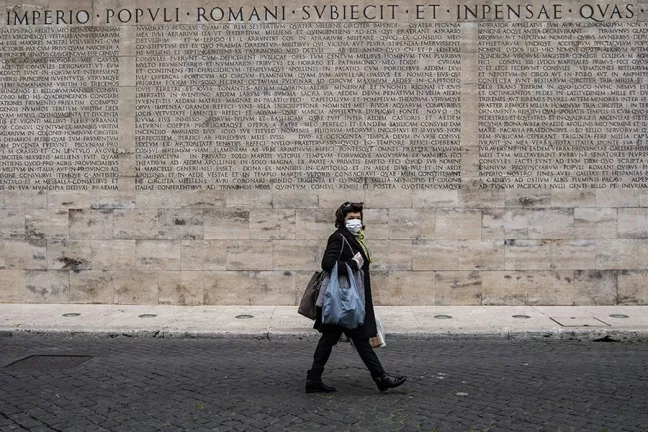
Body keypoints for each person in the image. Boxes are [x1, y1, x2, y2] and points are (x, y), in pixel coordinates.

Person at [306, 201, 407, 393]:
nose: (355, 221)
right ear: (342, 220)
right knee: (350, 338)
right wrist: (352, 264)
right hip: (343, 300)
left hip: (349, 299)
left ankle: (314, 379)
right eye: (351, 218)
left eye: (358, 218)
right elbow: (327, 264)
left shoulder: (357, 239)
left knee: (338, 339)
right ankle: (380, 378)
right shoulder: (338, 237)